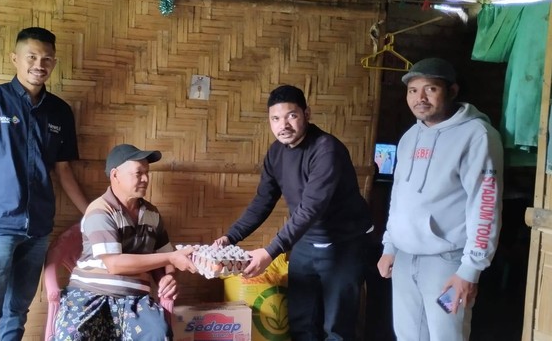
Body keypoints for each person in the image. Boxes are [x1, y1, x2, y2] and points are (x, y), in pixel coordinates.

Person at [214, 85, 372, 341]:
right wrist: (231, 237)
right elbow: (262, 201)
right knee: (301, 322)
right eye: (275, 119)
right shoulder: (275, 153)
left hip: (345, 244)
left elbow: (311, 208)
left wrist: (270, 251)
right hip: (306, 245)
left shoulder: (326, 149)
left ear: (306, 114)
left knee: (337, 328)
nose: (283, 125)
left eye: (291, 115)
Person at [0, 27, 89, 340]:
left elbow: (63, 170)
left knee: (16, 315)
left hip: (39, 230)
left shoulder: (60, 111)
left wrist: (92, 213)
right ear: (15, 58)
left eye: (46, 59)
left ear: (54, 63)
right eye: (31, 56)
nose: (38, 64)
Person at [377, 58, 503, 341]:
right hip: (405, 258)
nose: (419, 98)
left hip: (447, 262)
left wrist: (470, 270)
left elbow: (485, 205)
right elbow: (398, 197)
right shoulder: (410, 136)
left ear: (452, 91)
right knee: (408, 336)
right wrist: (390, 245)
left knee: (446, 337)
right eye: (412, 90)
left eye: (430, 89)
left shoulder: (477, 135)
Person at [54, 144, 197, 340]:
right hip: (90, 296)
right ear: (115, 175)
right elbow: (115, 264)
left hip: (135, 300)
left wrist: (168, 277)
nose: (145, 179)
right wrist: (171, 257)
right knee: (71, 336)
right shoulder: (100, 210)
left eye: (147, 173)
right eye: (138, 173)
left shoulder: (152, 214)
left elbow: (165, 256)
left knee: (158, 335)